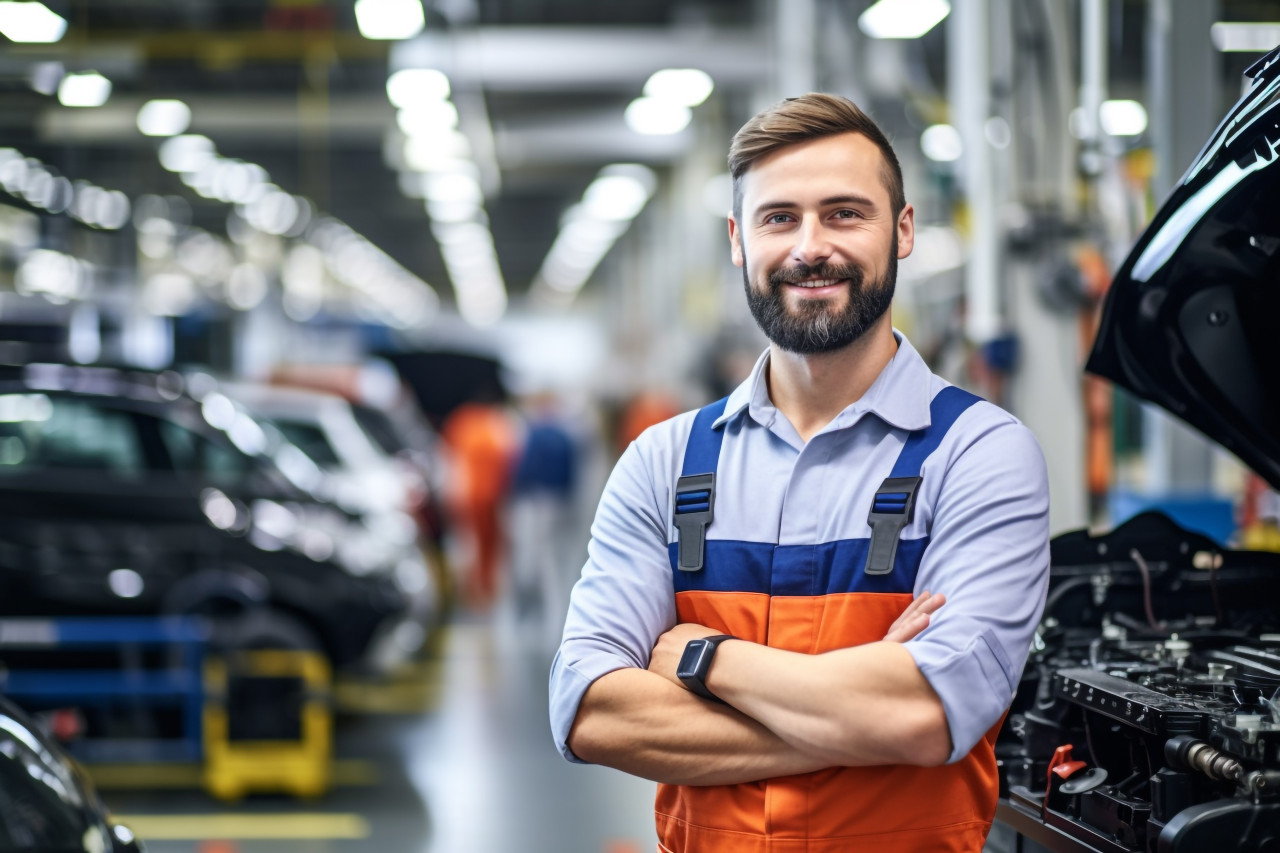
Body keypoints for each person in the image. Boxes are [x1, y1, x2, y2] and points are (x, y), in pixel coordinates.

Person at [549, 93, 1051, 852]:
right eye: (779, 217)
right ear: (738, 240)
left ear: (903, 229)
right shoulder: (665, 461)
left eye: (845, 213)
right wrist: (862, 712)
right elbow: (590, 710)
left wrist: (701, 655)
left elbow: (927, 716)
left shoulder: (979, 454)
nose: (810, 246)